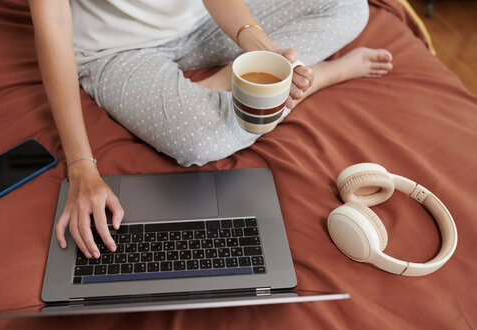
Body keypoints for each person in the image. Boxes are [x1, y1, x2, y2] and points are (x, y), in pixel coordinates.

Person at [28, 0, 393, 260]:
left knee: (348, 6)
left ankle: (227, 81)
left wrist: (264, 51)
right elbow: (54, 22)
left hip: (203, 20)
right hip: (117, 48)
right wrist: (81, 168)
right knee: (202, 138)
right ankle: (322, 77)